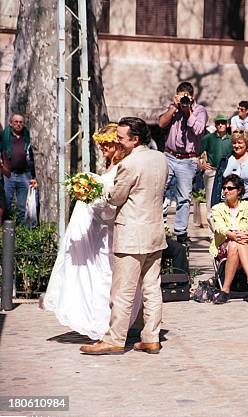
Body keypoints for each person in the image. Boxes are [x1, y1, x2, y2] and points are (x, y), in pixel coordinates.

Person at [80, 117, 169, 355]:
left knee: (122, 291)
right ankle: (151, 337)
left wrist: (104, 192)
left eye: (121, 137)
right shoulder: (160, 158)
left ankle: (114, 339)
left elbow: (116, 197)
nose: (117, 141)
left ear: (135, 139)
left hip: (131, 234)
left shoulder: (129, 164)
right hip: (155, 232)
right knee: (152, 288)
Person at [44, 124, 137, 340]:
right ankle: (97, 320)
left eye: (108, 143)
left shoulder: (123, 167)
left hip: (107, 231)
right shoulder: (109, 165)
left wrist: (93, 197)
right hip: (94, 230)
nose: (104, 147)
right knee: (93, 275)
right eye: (101, 143)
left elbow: (114, 202)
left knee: (106, 274)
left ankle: (107, 322)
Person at [159, 81, 208, 244]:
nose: (185, 100)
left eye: (187, 97)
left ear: (193, 97)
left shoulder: (200, 111)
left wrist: (188, 112)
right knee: (158, 190)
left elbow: (198, 130)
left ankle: (180, 233)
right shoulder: (173, 109)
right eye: (182, 96)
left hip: (188, 159)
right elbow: (161, 123)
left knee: (184, 197)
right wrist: (174, 107)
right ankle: (157, 226)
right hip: (169, 156)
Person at [209, 175, 248, 304]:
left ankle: (225, 291)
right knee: (233, 243)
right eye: (224, 188)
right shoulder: (218, 208)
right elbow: (219, 227)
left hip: (245, 242)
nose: (226, 191)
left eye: (230, 188)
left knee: (236, 243)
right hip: (224, 244)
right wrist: (231, 234)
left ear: (239, 191)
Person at [211, 130, 248, 231]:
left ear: (247, 144)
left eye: (240, 142)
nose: (236, 145)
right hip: (228, 203)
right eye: (234, 142)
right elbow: (217, 184)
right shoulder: (226, 160)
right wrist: (214, 205)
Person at [1, 112, 38, 223]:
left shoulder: (27, 138)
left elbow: (31, 158)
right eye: (16, 122)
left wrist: (33, 176)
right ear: (11, 124)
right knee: (7, 204)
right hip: (9, 175)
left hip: (24, 175)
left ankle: (22, 233)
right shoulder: (5, 137)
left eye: (21, 122)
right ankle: (6, 231)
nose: (18, 124)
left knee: (23, 206)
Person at [199, 115, 233, 229]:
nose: (220, 125)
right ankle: (212, 232)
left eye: (223, 123)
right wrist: (202, 164)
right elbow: (199, 154)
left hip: (227, 174)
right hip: (212, 172)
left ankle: (225, 228)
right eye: (218, 123)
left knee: (227, 200)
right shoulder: (208, 138)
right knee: (210, 201)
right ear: (215, 124)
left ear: (227, 124)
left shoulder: (232, 139)